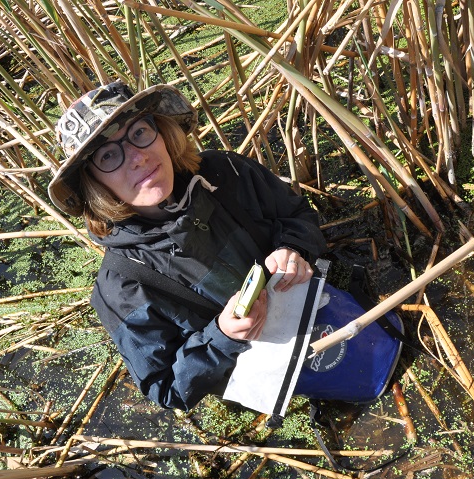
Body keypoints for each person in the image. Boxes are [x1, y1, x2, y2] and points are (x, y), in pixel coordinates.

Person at [48, 81, 326, 411]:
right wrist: (224, 336)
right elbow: (166, 388)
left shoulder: (227, 172)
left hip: (322, 315)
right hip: (275, 383)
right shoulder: (120, 287)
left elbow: (296, 215)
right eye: (109, 155)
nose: (138, 157)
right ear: (94, 183)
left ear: (162, 132)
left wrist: (294, 249)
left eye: (139, 132)